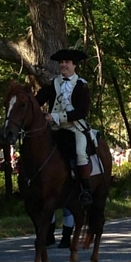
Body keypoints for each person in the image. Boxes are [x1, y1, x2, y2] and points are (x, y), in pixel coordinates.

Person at [35, 49, 92, 206]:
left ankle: (85, 190)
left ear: (74, 65)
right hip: (54, 128)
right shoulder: (52, 84)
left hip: (75, 127)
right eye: (61, 62)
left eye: (67, 62)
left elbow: (82, 112)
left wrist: (57, 116)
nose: (63, 65)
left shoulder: (82, 86)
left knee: (80, 153)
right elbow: (36, 101)